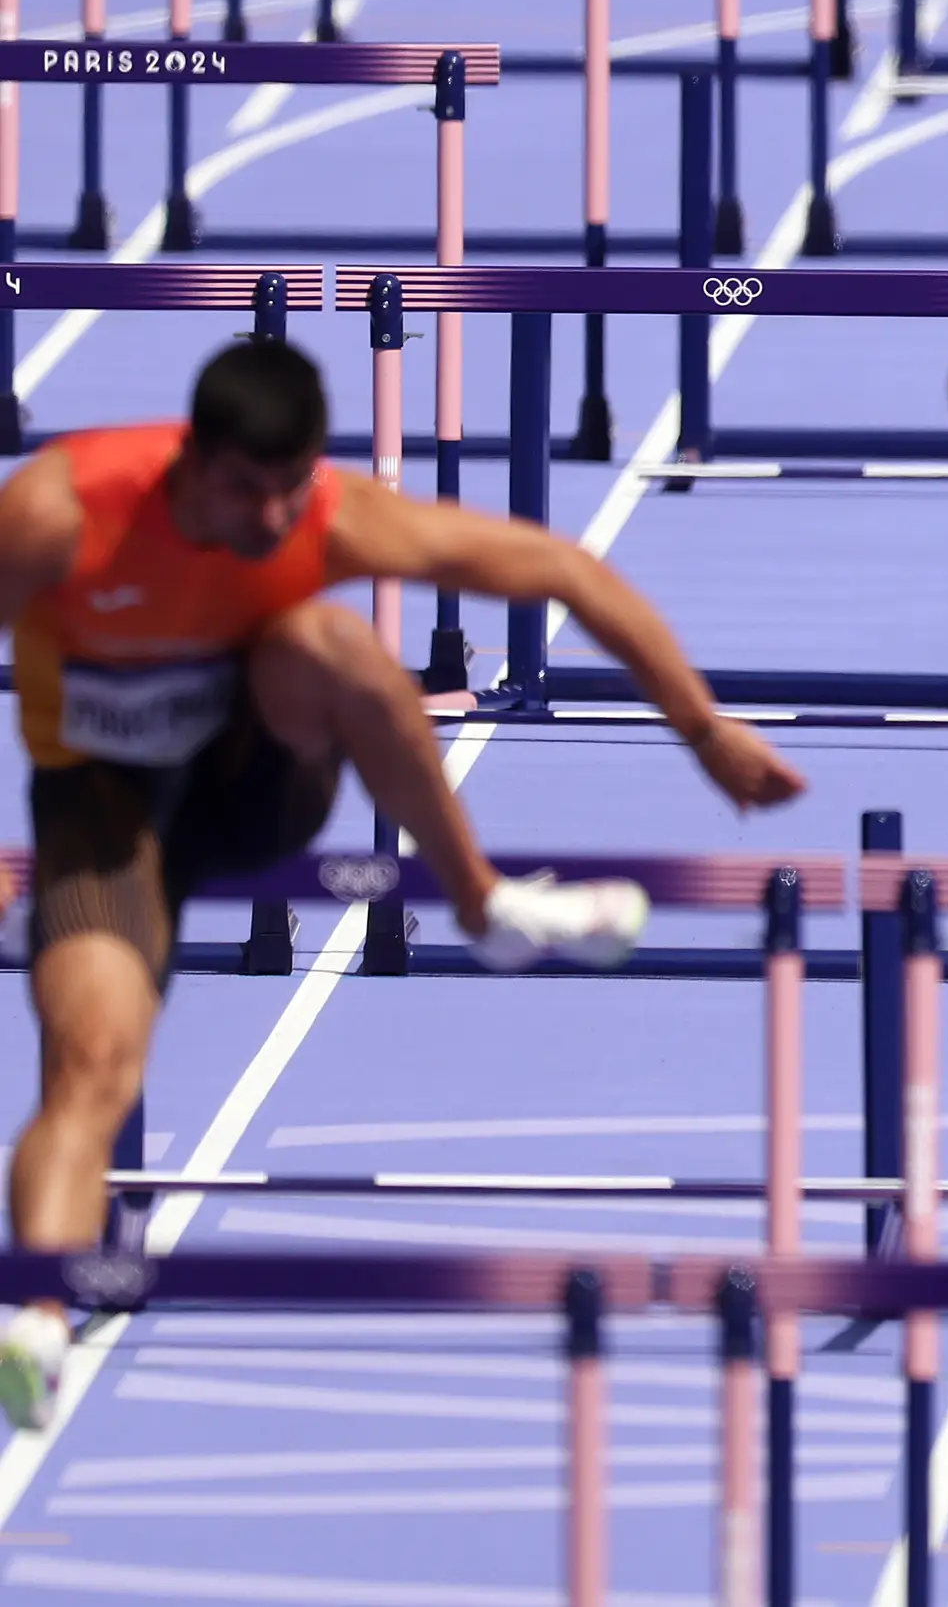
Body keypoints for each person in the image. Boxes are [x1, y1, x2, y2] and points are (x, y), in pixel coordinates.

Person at [0, 338, 806, 1427]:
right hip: (102, 808)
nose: (274, 520)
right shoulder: (58, 513)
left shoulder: (330, 517)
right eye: (247, 490)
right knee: (91, 1066)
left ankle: (484, 902)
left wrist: (702, 728)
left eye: (291, 492)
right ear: (189, 460)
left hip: (252, 770)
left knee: (329, 640)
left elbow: (563, 567)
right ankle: (35, 1323)